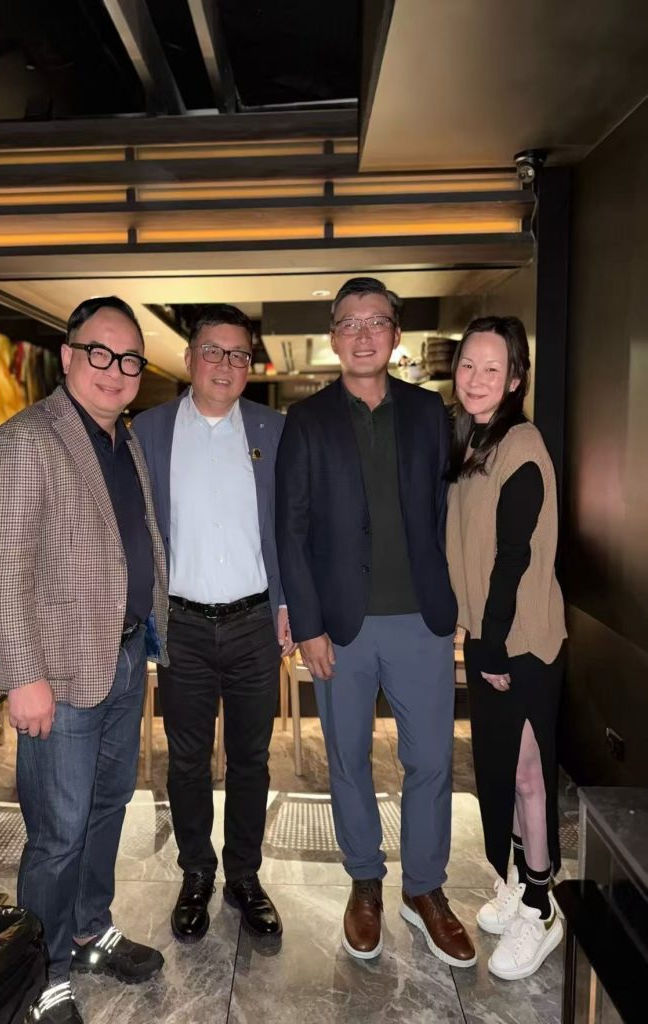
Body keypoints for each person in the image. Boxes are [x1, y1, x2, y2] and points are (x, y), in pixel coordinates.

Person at [0, 297, 169, 1024]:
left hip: (123, 655)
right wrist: (22, 675)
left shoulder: (123, 440)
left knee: (107, 807)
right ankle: (41, 971)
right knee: (57, 831)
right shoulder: (26, 441)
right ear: (67, 355)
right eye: (100, 353)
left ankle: (88, 929)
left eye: (129, 359)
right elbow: (1, 567)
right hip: (56, 672)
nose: (115, 370)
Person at [275, 277, 476, 967]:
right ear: (334, 337)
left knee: (431, 761)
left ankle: (425, 889)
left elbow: (450, 511)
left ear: (395, 334)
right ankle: (365, 882)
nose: (364, 335)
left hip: (422, 619)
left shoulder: (429, 412)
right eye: (350, 323)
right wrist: (307, 625)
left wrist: (461, 601)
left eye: (377, 322)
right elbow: (290, 529)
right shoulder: (306, 419)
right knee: (348, 759)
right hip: (341, 626)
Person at [133, 304, 293, 944]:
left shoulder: (274, 430)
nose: (226, 364)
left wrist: (288, 605)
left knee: (252, 759)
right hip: (184, 626)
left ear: (249, 365)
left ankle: (244, 877)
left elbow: (291, 527)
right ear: (189, 357)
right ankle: (196, 872)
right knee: (188, 760)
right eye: (213, 351)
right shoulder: (148, 430)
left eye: (238, 354)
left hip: (255, 622)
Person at [446, 315, 567, 980]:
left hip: (521, 641)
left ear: (516, 378)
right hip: (491, 634)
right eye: (468, 364)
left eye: (493, 368)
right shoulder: (475, 440)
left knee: (526, 773)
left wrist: (490, 645)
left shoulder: (520, 445)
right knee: (504, 768)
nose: (477, 378)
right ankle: (520, 883)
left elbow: (513, 557)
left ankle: (543, 906)